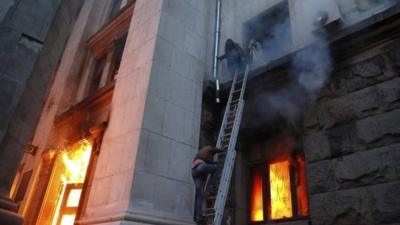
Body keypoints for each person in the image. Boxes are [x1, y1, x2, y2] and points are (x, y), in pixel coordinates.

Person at [192, 145, 221, 224]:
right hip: (201, 167)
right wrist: (221, 150)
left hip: (194, 171)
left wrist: (213, 162)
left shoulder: (200, 154)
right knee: (215, 168)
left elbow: (207, 162)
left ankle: (198, 217)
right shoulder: (208, 148)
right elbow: (214, 150)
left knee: (199, 197)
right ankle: (212, 187)